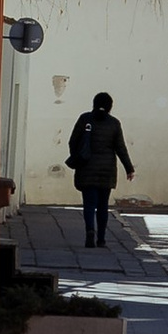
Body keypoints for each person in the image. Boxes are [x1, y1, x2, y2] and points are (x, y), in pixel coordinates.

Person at [68, 91, 133, 250]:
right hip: (107, 170)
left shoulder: (85, 119)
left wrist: (78, 157)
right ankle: (102, 239)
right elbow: (120, 148)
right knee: (103, 205)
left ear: (94, 104)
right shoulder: (114, 124)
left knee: (89, 204)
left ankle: (90, 230)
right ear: (110, 106)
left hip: (87, 168)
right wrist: (129, 168)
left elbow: (73, 141)